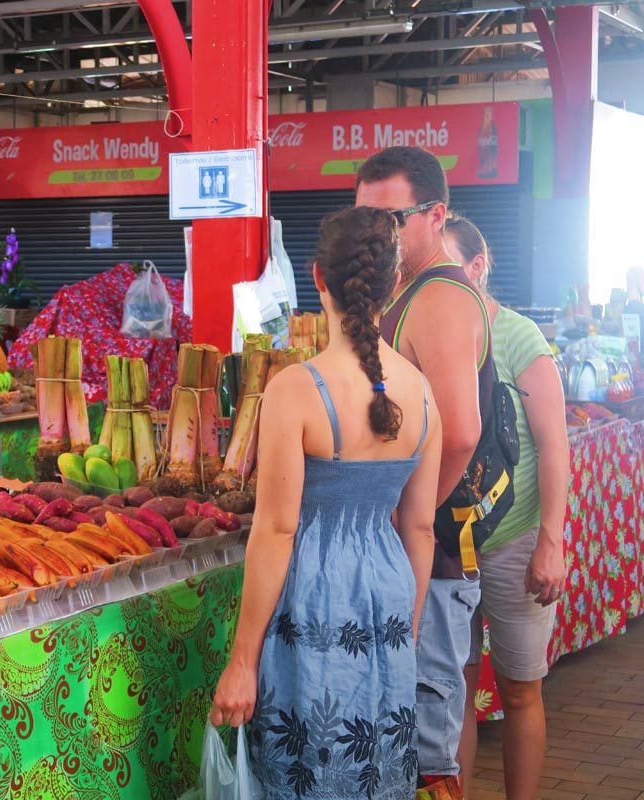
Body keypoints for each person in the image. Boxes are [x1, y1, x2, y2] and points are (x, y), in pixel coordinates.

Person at [210, 207, 441, 798]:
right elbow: (420, 529)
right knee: (374, 769)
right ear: (394, 284)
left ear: (317, 278)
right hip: (389, 594)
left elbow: (276, 532)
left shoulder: (294, 389)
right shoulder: (420, 392)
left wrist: (242, 661)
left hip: (312, 597)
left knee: (306, 767)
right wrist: (405, 631)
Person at [357, 145, 492, 792]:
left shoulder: (438, 297)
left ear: (436, 215)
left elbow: (461, 434)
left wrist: (402, 521)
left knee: (426, 757)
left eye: (390, 219)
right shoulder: (408, 290)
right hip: (419, 550)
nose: (374, 237)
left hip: (430, 560)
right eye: (364, 220)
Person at [447, 215, 568, 800]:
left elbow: (553, 445)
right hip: (447, 546)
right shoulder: (428, 334)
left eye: (449, 269)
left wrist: (551, 539)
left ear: (478, 266)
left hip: (514, 540)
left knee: (521, 691)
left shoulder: (520, 338)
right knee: (454, 688)